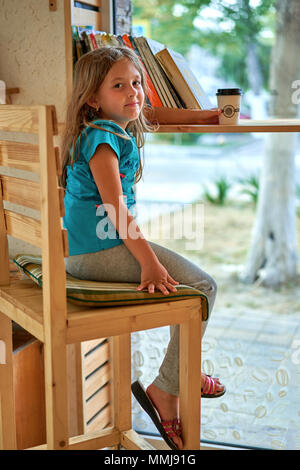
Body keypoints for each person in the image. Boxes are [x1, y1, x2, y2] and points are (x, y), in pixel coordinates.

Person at [61, 46, 225, 450]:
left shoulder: (108, 130)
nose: (134, 92)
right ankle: (168, 388)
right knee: (202, 287)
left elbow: (153, 115)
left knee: (191, 286)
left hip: (90, 251)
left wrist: (207, 116)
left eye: (137, 82)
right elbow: (116, 212)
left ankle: (177, 374)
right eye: (119, 85)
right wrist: (149, 264)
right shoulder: (101, 141)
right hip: (95, 255)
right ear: (93, 99)